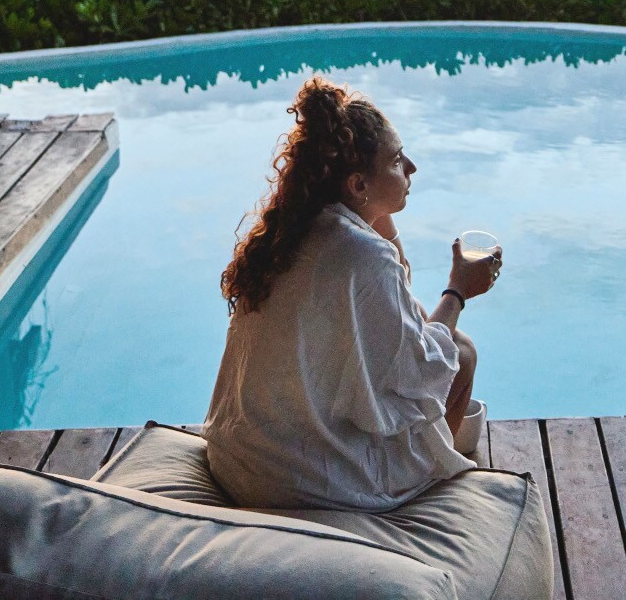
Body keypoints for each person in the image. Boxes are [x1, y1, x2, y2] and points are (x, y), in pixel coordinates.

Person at [204, 77, 503, 511]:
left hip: (238, 457)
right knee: (462, 354)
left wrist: (380, 212)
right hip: (295, 481)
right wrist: (458, 289)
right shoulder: (362, 255)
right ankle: (433, 502)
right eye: (398, 160)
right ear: (358, 184)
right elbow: (417, 369)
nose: (413, 168)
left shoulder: (299, 226)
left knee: (446, 346)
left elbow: (397, 296)